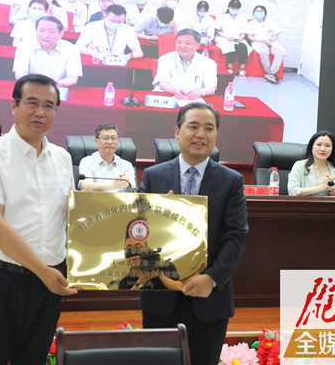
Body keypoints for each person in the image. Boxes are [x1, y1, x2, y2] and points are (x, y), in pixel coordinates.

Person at [0, 73, 77, 364]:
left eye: (49, 105)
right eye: (32, 103)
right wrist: (43, 271)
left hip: (48, 285)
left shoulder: (62, 158)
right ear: (14, 106)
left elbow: (71, 216)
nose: (41, 112)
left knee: (34, 359)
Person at [138, 101, 248, 365]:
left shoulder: (231, 180)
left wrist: (211, 278)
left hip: (209, 298)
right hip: (161, 296)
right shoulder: (153, 176)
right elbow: (138, 232)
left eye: (209, 128)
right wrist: (159, 219)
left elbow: (235, 236)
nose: (201, 134)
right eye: (193, 127)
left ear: (216, 134)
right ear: (177, 132)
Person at [152, 29, 217, 107]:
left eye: (188, 43)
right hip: (167, 98)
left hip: (192, 101)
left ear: (197, 46)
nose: (182, 46)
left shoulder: (208, 63)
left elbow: (211, 88)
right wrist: (174, 90)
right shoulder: (165, 59)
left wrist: (200, 92)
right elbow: (163, 84)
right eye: (179, 42)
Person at [13, 16, 82, 86]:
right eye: (41, 30)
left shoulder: (72, 49)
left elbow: (72, 78)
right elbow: (19, 73)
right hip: (30, 85)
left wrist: (58, 83)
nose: (46, 35)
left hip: (57, 87)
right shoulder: (24, 46)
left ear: (61, 34)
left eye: (51, 31)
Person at [78, 123, 136, 192]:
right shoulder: (87, 161)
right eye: (105, 138)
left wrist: (126, 184)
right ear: (96, 141)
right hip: (95, 199)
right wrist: (114, 185)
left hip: (119, 199)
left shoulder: (126, 165)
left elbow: (133, 187)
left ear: (118, 141)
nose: (110, 142)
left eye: (113, 138)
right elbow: (86, 186)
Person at [287, 130, 335, 196]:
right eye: (319, 145)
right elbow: (293, 192)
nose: (323, 149)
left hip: (329, 203)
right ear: (311, 147)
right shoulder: (300, 166)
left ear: (332, 149)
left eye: (327, 145)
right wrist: (320, 187)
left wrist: (331, 189)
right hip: (305, 203)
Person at [76, 4, 143, 60]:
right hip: (96, 61)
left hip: (117, 63)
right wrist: (97, 54)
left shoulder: (128, 29)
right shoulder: (91, 26)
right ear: (105, 16)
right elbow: (79, 47)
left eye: (120, 22)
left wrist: (128, 56)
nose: (116, 24)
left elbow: (139, 52)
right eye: (112, 21)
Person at [246, 5, 285, 84]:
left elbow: (276, 34)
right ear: (254, 13)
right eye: (257, 11)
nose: (259, 13)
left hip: (272, 42)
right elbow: (249, 36)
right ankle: (270, 73)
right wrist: (259, 40)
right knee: (264, 53)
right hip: (258, 42)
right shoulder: (251, 23)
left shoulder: (271, 22)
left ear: (265, 13)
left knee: (280, 53)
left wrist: (271, 40)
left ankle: (271, 73)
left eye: (261, 11)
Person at [214, 0, 250, 78]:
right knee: (230, 47)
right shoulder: (221, 17)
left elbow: (244, 32)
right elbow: (218, 31)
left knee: (243, 47)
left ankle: (241, 70)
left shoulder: (242, 18)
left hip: (237, 39)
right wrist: (228, 37)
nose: (235, 10)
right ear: (229, 7)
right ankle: (229, 69)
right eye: (233, 8)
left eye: (237, 9)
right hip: (224, 38)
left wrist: (241, 37)